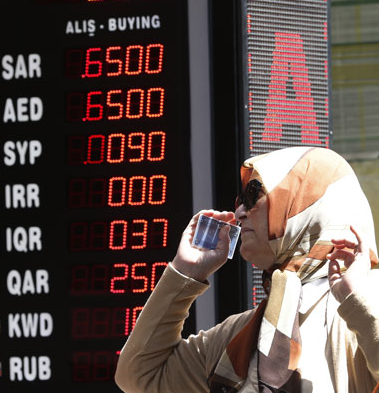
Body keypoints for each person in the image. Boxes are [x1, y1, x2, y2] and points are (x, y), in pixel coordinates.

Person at [115, 147, 379, 392]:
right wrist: (185, 273)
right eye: (240, 199)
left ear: (304, 203)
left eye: (253, 195)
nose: (240, 212)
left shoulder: (364, 301)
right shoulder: (240, 332)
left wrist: (358, 304)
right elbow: (139, 376)